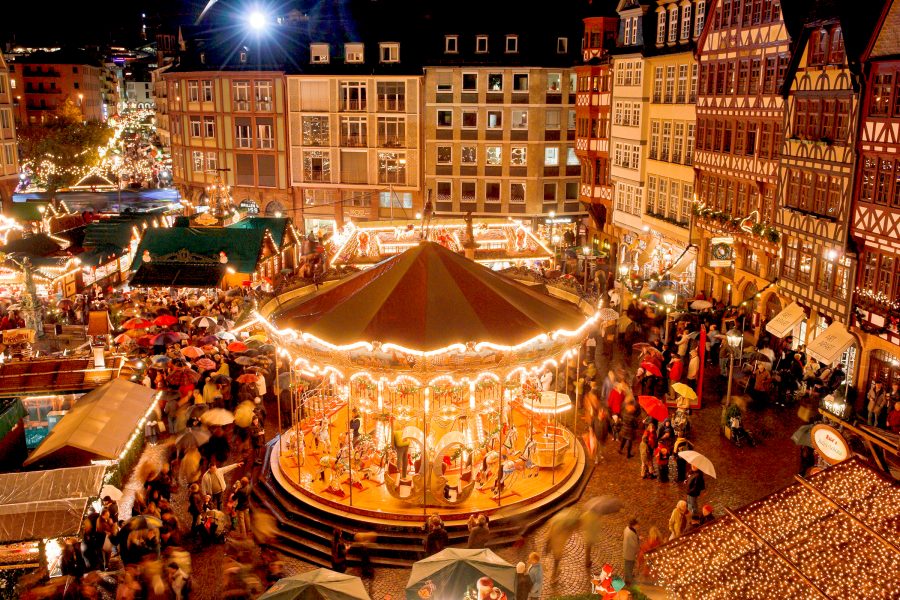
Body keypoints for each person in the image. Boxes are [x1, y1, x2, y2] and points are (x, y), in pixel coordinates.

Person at [622, 518, 639, 585]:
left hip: (627, 551)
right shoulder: (630, 533)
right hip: (629, 552)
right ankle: (629, 581)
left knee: (628, 566)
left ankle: (628, 579)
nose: (638, 526)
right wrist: (638, 542)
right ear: (634, 525)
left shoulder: (627, 529)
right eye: (637, 525)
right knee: (629, 567)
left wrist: (637, 538)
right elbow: (634, 545)